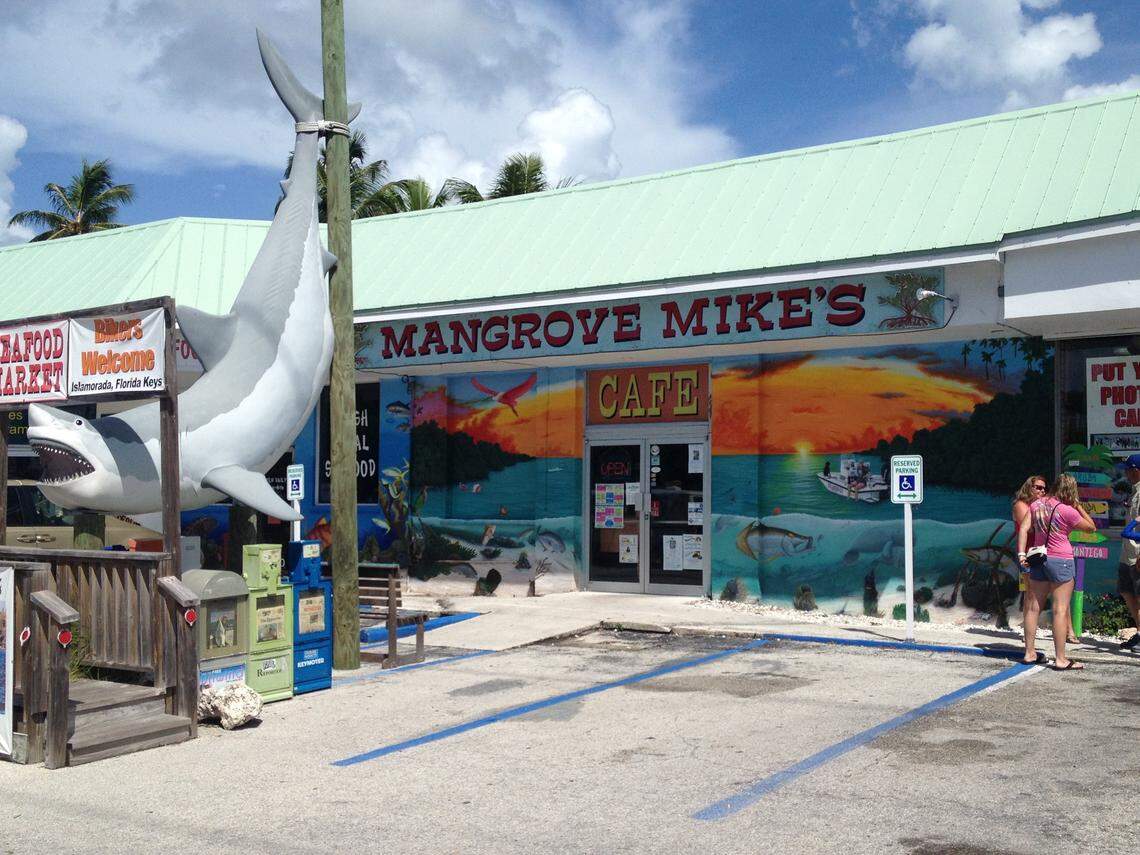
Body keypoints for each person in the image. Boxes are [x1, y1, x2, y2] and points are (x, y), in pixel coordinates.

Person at [1017, 473, 1096, 669]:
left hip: (1038, 559)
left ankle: (1029, 653)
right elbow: (1091, 528)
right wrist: (1077, 505)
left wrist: (1021, 555)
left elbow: (1024, 528)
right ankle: (1061, 659)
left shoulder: (1036, 505)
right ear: (1070, 491)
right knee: (1060, 610)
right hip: (1061, 559)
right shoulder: (1067, 510)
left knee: (1033, 607)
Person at [1012, 474, 1047, 612]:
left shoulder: (1038, 506)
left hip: (1041, 551)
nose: (1042, 491)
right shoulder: (1020, 505)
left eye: (1044, 489)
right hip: (1028, 553)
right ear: (1029, 488)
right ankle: (1029, 624)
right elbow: (1030, 528)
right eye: (1038, 488)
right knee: (1031, 592)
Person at [1117, 454, 1140, 651]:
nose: (1125, 473)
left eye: (1128, 470)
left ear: (1136, 470)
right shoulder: (1134, 492)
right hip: (1127, 553)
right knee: (1126, 591)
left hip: (1138, 553)